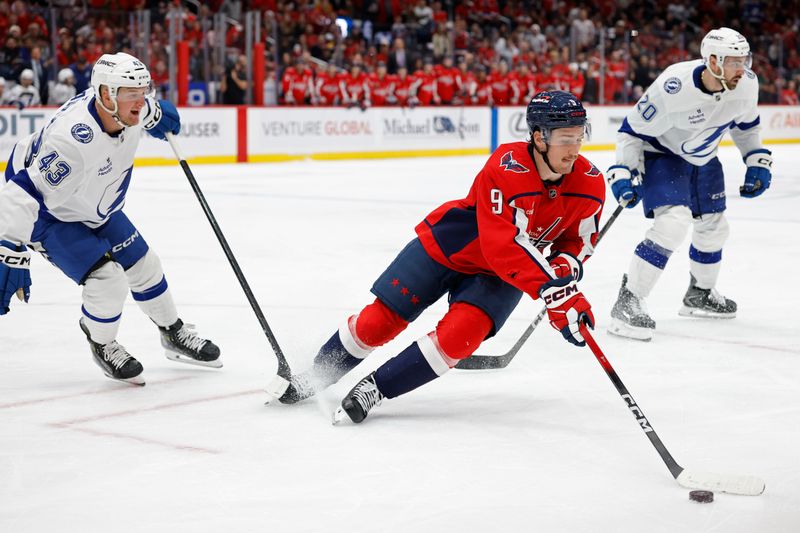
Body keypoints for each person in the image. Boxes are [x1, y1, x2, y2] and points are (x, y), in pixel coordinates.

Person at [267, 91, 605, 424]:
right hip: (452, 245)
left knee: (459, 339)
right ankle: (314, 376)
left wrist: (562, 274)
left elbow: (579, 241)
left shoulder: (590, 183)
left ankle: (376, 389)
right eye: (565, 138)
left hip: (502, 275)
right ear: (538, 137)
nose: (574, 149)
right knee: (377, 323)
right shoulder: (507, 167)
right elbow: (502, 244)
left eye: (580, 137)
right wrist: (551, 288)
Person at [0, 52, 221, 386]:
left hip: (93, 203)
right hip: (49, 213)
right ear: (106, 94)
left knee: (145, 264)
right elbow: (23, 193)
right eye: (133, 95)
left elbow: (151, 111)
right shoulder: (72, 142)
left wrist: (159, 114)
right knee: (108, 280)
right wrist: (7, 248)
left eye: (144, 92)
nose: (141, 102)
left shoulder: (124, 105)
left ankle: (172, 333)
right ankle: (102, 343)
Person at [606, 28, 772, 342]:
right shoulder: (673, 86)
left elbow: (746, 125)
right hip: (663, 155)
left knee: (714, 226)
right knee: (672, 224)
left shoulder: (747, 84)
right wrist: (625, 171)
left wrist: (755, 159)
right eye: (735, 62)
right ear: (713, 61)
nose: (743, 68)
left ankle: (700, 294)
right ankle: (628, 300)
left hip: (703, 156)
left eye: (745, 60)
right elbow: (631, 131)